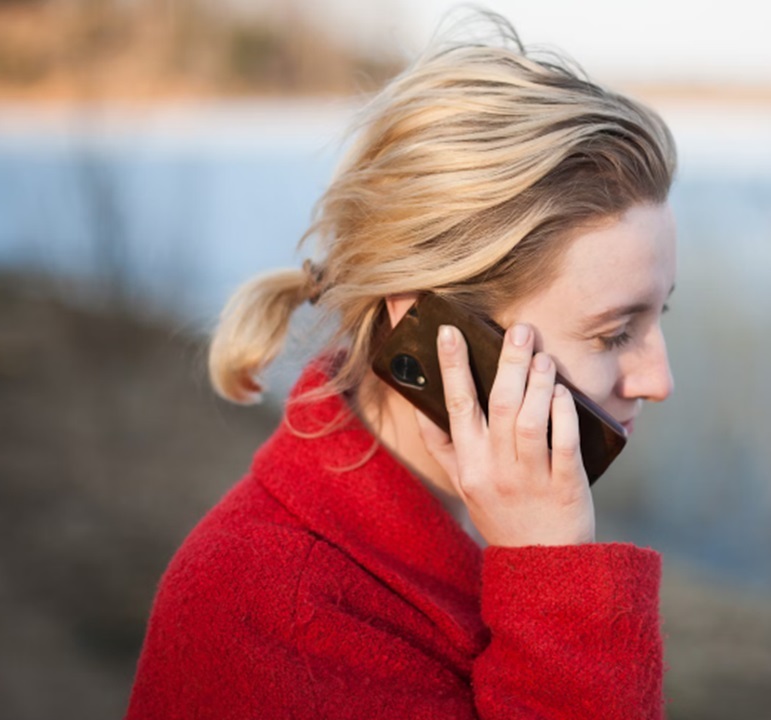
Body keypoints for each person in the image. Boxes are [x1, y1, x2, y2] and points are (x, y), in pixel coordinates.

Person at [126, 11, 677, 719]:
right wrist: (556, 582)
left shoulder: (474, 525)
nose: (659, 381)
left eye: (662, 315)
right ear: (432, 328)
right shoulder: (267, 610)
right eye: (612, 333)